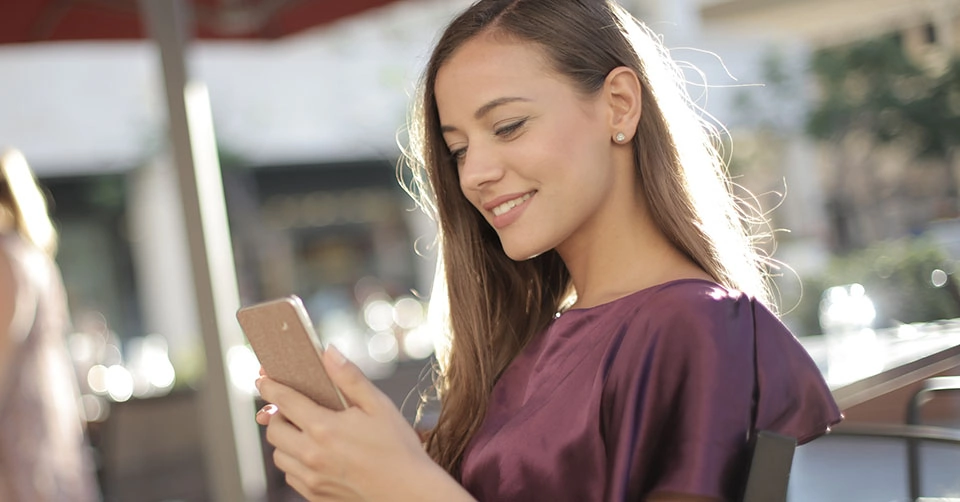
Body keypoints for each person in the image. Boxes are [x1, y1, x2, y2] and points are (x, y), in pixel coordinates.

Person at [254, 1, 842, 500]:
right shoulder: (535, 346)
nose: (475, 174)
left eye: (508, 126)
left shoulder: (699, 327)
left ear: (619, 105)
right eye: (457, 150)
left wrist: (408, 486)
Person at [0, 148, 100, 501]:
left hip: (21, 417)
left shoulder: (7, 257)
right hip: (48, 404)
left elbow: (3, 353)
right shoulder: (33, 255)